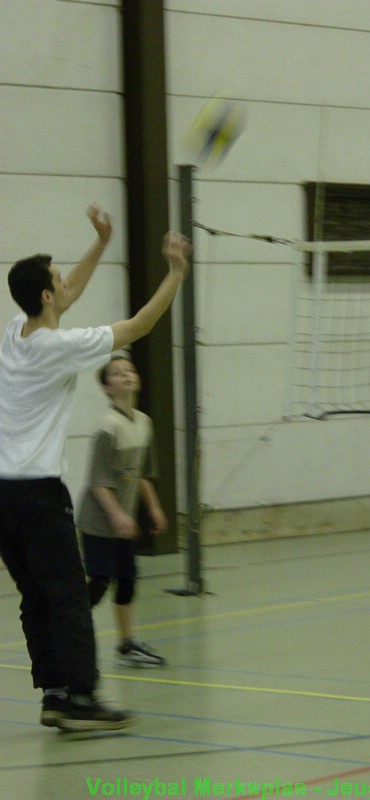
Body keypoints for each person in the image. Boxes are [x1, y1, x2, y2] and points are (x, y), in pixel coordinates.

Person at [0, 205, 190, 732]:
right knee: (68, 596)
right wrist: (174, 273)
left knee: (36, 596)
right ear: (45, 295)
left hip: (2, 497)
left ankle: (55, 693)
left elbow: (70, 293)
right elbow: (140, 325)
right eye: (57, 281)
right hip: (38, 495)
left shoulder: (16, 332)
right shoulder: (58, 348)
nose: (66, 284)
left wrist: (102, 243)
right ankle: (83, 695)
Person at [78, 354, 168, 668]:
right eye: (117, 373)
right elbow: (98, 482)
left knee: (128, 580)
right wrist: (117, 515)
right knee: (100, 582)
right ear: (106, 387)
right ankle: (67, 635)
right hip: (100, 521)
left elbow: (142, 473)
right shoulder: (107, 426)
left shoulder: (144, 423)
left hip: (123, 521)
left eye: (129, 369)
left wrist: (154, 508)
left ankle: (127, 645)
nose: (126, 375)